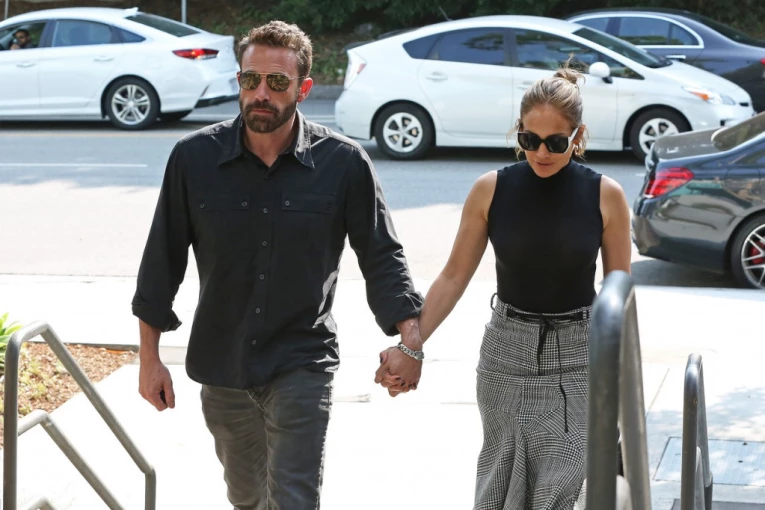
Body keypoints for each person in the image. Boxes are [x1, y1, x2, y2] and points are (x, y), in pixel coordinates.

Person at [132, 20, 425, 510]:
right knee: (247, 498)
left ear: (303, 89)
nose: (261, 94)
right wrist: (149, 359)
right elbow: (161, 262)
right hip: (222, 364)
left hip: (301, 361)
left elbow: (382, 257)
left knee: (293, 499)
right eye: (251, 80)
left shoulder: (343, 163)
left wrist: (410, 342)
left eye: (277, 82)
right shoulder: (193, 159)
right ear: (239, 81)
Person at [375, 64, 632, 509]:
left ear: (578, 136)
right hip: (506, 353)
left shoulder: (605, 195)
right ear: (518, 131)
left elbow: (619, 294)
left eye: (556, 142)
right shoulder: (490, 189)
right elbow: (453, 276)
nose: (541, 152)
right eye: (530, 139)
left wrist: (620, 373)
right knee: (501, 484)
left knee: (563, 484)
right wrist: (411, 346)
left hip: (579, 353)